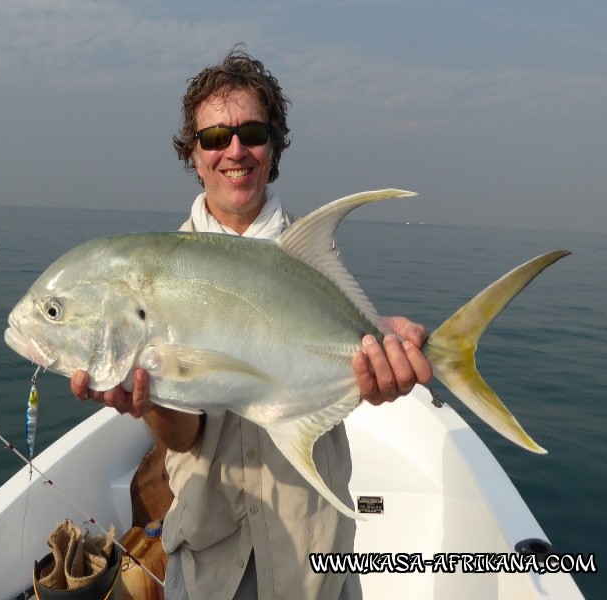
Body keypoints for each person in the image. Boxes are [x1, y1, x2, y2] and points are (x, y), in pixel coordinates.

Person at [71, 49, 432, 600]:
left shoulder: (307, 260)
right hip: (212, 562)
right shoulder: (154, 282)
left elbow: (338, 355)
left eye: (253, 133)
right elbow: (185, 436)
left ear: (273, 147)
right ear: (194, 156)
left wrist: (377, 370)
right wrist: (151, 402)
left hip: (314, 563)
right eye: (214, 137)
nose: (234, 150)